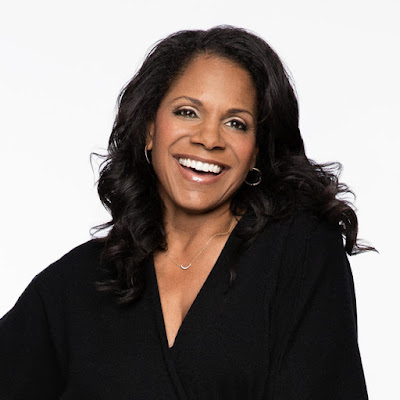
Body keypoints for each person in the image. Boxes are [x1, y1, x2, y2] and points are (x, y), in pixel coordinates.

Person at [0, 26, 373, 399]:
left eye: (236, 123)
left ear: (256, 152)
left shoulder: (299, 250)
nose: (208, 138)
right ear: (150, 130)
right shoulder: (80, 282)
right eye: (187, 112)